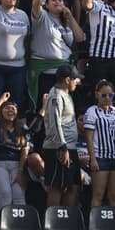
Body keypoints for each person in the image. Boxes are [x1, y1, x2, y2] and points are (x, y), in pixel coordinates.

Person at [42, 65, 83, 207]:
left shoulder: (66, 94)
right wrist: (62, 147)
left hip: (69, 147)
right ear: (67, 80)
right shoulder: (56, 96)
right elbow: (55, 123)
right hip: (59, 148)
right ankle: (53, 223)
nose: (77, 82)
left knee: (73, 186)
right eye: (75, 79)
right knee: (56, 187)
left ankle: (66, 221)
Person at [0, 91, 30, 207]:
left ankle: (20, 224)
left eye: (13, 108)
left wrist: (20, 171)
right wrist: (1, 101)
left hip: (16, 165)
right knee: (5, 193)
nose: (10, 110)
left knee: (18, 193)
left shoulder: (22, 128)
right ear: (0, 111)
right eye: (6, 108)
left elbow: (25, 151)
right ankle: (5, 224)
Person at [83, 79, 115, 207]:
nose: (107, 98)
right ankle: (94, 224)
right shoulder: (91, 111)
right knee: (98, 195)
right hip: (100, 157)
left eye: (110, 95)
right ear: (97, 94)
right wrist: (93, 159)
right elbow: (88, 137)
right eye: (104, 95)